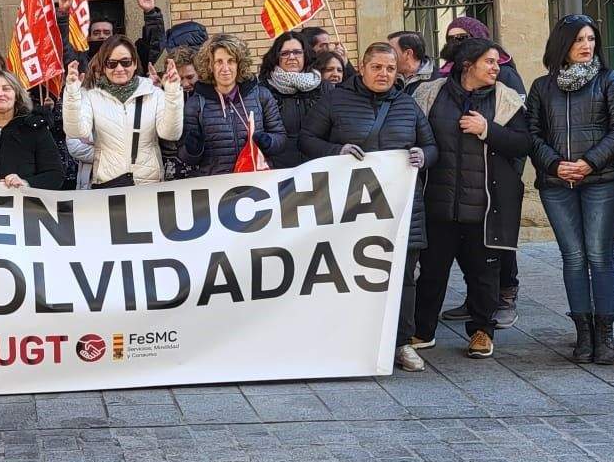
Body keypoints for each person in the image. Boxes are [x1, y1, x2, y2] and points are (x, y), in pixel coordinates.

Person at [299, 44, 436, 372]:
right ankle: (348, 341)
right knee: (348, 275)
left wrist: (423, 156)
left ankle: (401, 343)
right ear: (361, 67)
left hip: (402, 211)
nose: (384, 74)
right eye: (377, 67)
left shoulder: (407, 105)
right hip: (350, 212)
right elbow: (306, 140)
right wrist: (336, 149)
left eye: (390, 68)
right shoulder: (335, 100)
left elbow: (431, 146)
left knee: (403, 278)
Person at [410, 38, 532, 359]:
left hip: (485, 207)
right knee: (432, 272)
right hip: (438, 203)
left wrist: (487, 129)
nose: (496, 68)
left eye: (497, 63)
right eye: (489, 62)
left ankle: (481, 331)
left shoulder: (506, 100)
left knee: (483, 275)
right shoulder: (429, 94)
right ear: (469, 65)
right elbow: (414, 134)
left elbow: (523, 144)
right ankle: (422, 331)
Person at [526, 15, 614, 365]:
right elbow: (533, 134)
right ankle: (583, 333)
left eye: (590, 39)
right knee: (573, 257)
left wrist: (589, 162)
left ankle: (605, 333)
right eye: (578, 41)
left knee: (599, 255)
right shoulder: (542, 87)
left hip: (602, 182)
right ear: (563, 46)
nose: (586, 46)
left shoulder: (609, 80)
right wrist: (556, 164)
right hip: (557, 184)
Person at [434, 16, 527, 327]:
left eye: (463, 37)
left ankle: (497, 306)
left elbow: (522, 139)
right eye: (452, 37)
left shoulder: (506, 83)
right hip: (448, 194)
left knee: (489, 258)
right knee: (448, 261)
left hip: (490, 190)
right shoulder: (435, 88)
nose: (455, 42)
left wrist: (488, 131)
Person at [63, 35, 183, 187]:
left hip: (149, 185)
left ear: (134, 64)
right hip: (109, 185)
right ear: (104, 66)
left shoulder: (154, 94)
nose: (119, 68)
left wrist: (173, 94)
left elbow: (170, 134)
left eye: (125, 62)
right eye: (112, 63)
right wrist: (72, 94)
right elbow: (76, 132)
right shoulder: (91, 96)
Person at [180, 34, 286, 177]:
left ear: (239, 64)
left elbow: (280, 137)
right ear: (210, 65)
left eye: (231, 61)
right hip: (217, 186)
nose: (225, 68)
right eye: (219, 62)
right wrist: (193, 150)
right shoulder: (196, 104)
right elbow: (186, 157)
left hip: (256, 180)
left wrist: (269, 142)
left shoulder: (261, 96)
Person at [256, 32, 323, 169]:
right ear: (277, 58)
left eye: (297, 52)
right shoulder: (263, 91)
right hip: (279, 171)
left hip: (318, 169)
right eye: (285, 53)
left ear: (305, 55)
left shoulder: (324, 87)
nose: (292, 57)